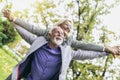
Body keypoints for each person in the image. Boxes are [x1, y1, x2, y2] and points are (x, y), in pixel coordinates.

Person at [6, 25, 120, 80]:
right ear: (49, 35)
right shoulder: (38, 43)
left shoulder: (67, 53)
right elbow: (26, 33)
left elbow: (87, 54)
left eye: (62, 34)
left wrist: (106, 51)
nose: (60, 34)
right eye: (57, 32)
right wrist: (13, 21)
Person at [3, 9, 119, 54]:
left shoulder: (69, 41)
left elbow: (86, 46)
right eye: (66, 25)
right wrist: (14, 19)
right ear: (58, 26)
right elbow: (32, 28)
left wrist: (105, 49)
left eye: (70, 28)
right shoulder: (47, 33)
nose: (68, 29)